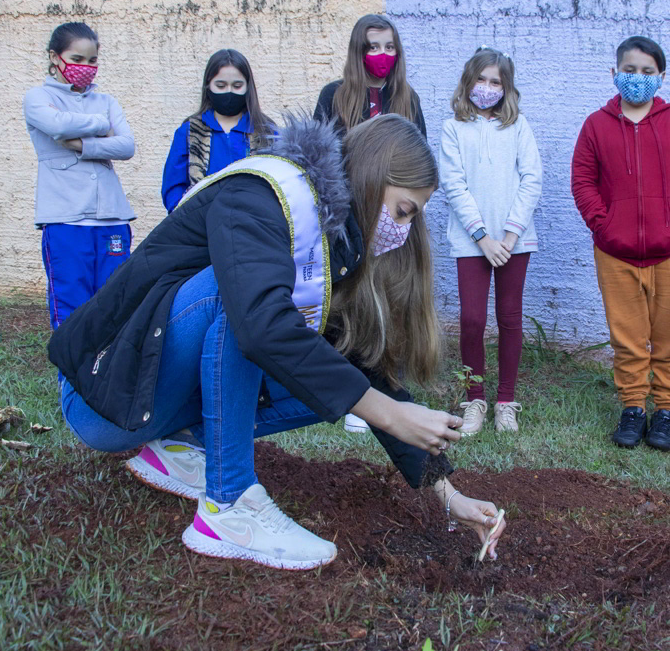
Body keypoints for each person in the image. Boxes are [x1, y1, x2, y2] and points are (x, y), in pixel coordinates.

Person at [49, 114, 506, 570]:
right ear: (372, 176)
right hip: (104, 397)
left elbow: (355, 367)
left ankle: (185, 444)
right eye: (403, 211)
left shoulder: (326, 242)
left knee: (332, 371)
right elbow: (258, 325)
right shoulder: (260, 193)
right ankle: (228, 508)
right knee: (247, 304)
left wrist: (449, 495)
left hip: (158, 399)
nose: (402, 230)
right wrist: (388, 413)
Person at [571, 36, 670, 453]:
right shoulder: (595, 125)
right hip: (616, 253)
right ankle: (633, 407)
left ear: (661, 77)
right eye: (629, 70)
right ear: (614, 73)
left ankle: (666, 411)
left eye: (647, 72)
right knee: (628, 338)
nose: (638, 79)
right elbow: (582, 181)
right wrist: (604, 226)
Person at [315, 14, 427, 433]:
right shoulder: (334, 95)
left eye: (389, 47)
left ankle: (383, 386)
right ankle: (348, 394)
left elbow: (421, 163)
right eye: (373, 47)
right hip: (348, 222)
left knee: (390, 302)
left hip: (393, 224)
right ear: (358, 51)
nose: (381, 55)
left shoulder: (408, 99)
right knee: (347, 303)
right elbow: (322, 157)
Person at [438, 47, 542, 435]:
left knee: (510, 318)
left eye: (495, 81)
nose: (487, 87)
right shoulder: (454, 128)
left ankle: (505, 401)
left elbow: (531, 179)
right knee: (472, 319)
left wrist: (510, 235)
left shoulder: (518, 127)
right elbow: (454, 184)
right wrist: (482, 236)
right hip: (472, 242)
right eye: (480, 79)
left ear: (507, 87)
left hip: (515, 240)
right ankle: (475, 398)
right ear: (468, 82)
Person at [23, 22, 135, 334]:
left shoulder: (107, 100)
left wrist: (82, 145)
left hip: (112, 218)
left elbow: (126, 146)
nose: (85, 68)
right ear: (54, 57)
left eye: (92, 61)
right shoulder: (37, 97)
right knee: (72, 314)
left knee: (116, 310)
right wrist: (102, 126)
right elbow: (56, 125)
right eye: (77, 59)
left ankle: (108, 383)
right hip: (66, 220)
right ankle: (73, 384)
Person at [161, 49, 275, 212]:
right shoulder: (189, 132)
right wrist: (185, 217)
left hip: (253, 226)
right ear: (208, 85)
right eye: (220, 86)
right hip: (202, 227)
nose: (229, 92)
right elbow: (173, 187)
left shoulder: (267, 132)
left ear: (248, 87)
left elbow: (281, 185)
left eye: (237, 86)